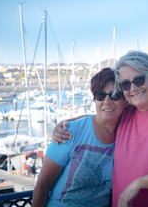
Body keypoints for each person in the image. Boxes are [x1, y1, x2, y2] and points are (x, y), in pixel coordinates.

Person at [53, 50, 148, 207]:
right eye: (125, 84)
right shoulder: (128, 112)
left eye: (139, 80)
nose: (132, 88)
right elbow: (100, 117)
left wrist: (138, 184)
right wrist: (65, 123)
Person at [32, 68, 126, 207]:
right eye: (100, 95)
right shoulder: (69, 133)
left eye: (115, 95)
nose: (107, 101)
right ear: (95, 99)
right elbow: (42, 185)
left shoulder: (128, 132)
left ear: (126, 99)